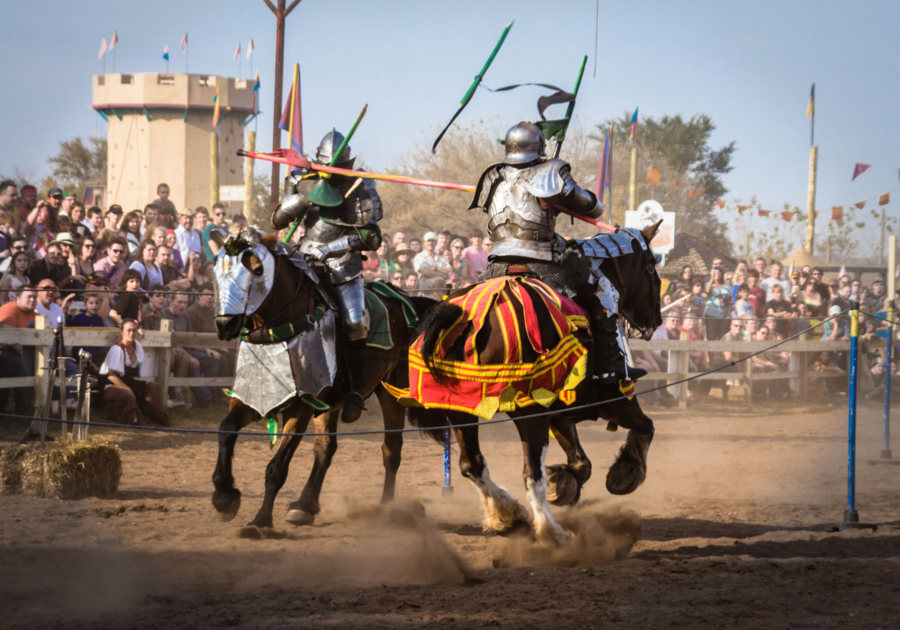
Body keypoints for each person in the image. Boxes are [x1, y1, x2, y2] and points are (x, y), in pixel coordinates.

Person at [471, 122, 644, 382]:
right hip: (539, 257)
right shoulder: (551, 170)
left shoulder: (492, 175)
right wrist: (561, 194)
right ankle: (611, 365)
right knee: (603, 288)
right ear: (539, 145)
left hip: (498, 260)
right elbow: (592, 207)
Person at [271, 130, 383, 421]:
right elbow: (278, 219)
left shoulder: (359, 182)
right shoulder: (300, 178)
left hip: (344, 264)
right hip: (304, 260)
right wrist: (307, 196)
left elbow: (370, 236)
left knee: (355, 322)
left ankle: (355, 390)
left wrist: (332, 249)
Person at [97, 319, 169, 426]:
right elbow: (111, 376)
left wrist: (140, 336)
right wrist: (127, 388)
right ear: (121, 332)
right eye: (128, 330)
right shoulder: (117, 349)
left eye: (134, 330)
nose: (131, 333)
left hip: (127, 380)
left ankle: (157, 416)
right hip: (111, 384)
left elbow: (134, 343)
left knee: (154, 386)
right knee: (128, 394)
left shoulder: (136, 346)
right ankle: (135, 420)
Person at [162, 292, 220, 408]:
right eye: (180, 302)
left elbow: (191, 339)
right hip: (174, 352)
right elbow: (170, 342)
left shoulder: (185, 316)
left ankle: (213, 397)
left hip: (187, 350)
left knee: (212, 359)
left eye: (185, 303)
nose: (183, 306)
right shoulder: (164, 315)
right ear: (171, 301)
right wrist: (190, 356)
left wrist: (206, 349)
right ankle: (205, 399)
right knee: (191, 363)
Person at [188, 284, 236, 377]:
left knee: (232, 356)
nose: (209, 297)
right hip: (200, 348)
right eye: (206, 294)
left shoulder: (211, 312)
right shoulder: (192, 313)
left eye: (212, 295)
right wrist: (207, 349)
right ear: (199, 295)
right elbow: (192, 339)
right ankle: (220, 390)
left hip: (214, 346)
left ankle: (230, 388)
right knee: (223, 359)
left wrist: (221, 344)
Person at [66, 292, 108, 369]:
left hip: (93, 351)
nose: (94, 305)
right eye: (91, 303)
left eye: (97, 303)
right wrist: (69, 316)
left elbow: (96, 331)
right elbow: (70, 328)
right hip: (78, 349)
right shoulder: (78, 317)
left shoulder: (98, 319)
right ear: (85, 305)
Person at [704, 267, 732, 341]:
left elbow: (730, 300)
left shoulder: (726, 286)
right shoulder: (708, 284)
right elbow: (707, 291)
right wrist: (712, 278)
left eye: (719, 272)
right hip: (711, 316)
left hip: (723, 317)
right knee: (711, 338)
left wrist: (726, 301)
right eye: (715, 272)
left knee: (722, 339)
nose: (717, 273)